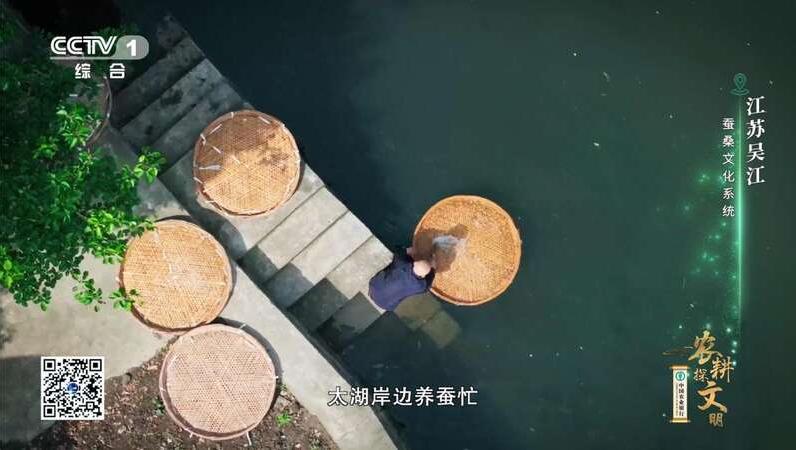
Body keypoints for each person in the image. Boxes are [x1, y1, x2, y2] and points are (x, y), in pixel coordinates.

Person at [368, 246, 435, 311]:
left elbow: (399, 251)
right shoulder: (420, 286)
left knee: (389, 270)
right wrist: (432, 264)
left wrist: (411, 250)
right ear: (423, 275)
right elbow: (430, 278)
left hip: (374, 287)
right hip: (386, 305)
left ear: (414, 263)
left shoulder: (402, 263)